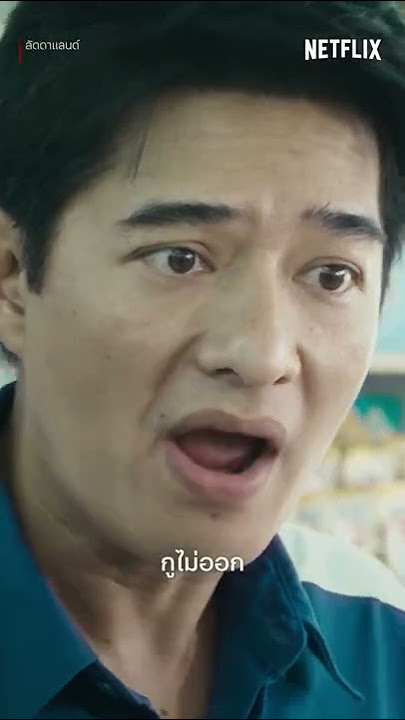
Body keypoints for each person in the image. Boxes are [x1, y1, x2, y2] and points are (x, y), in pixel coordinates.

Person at [0, 1, 404, 718]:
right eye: (179, 258)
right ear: (12, 279)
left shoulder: (378, 640)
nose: (261, 356)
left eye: (331, 274)